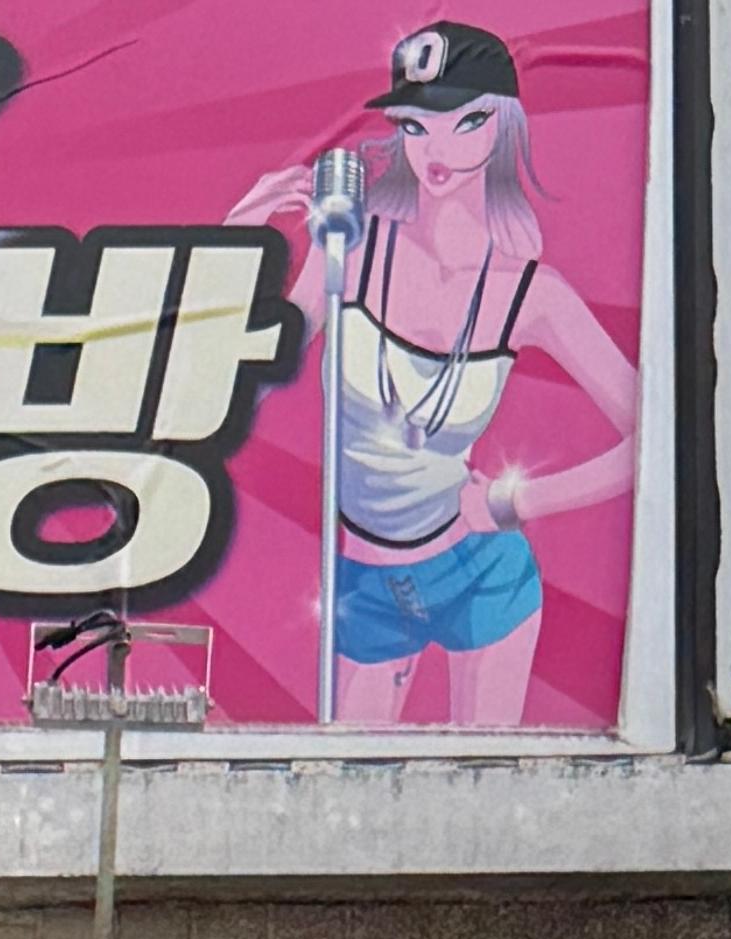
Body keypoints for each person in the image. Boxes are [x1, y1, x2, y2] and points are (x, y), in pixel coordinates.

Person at [234, 27, 641, 730]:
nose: (436, 148)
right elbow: (246, 381)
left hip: (481, 572)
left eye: (465, 121)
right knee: (343, 781)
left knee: (484, 785)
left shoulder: (530, 294)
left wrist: (519, 500)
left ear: (503, 124)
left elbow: (657, 435)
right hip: (366, 578)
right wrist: (237, 236)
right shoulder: (350, 250)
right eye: (416, 125)